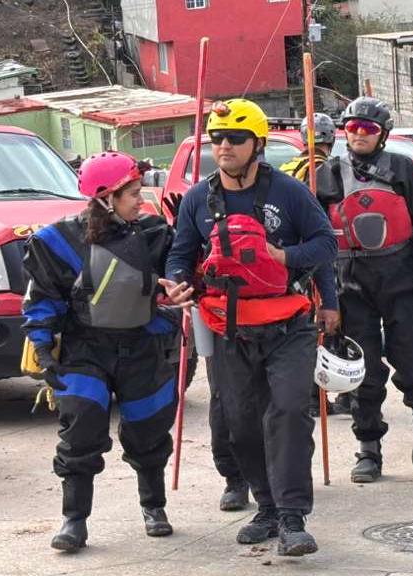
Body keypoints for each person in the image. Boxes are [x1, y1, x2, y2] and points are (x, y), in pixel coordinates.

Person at [165, 98, 337, 556]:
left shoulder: (290, 192)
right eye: (216, 138)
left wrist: (287, 258)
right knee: (238, 423)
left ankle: (292, 516)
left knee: (287, 413)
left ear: (256, 145)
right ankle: (265, 503)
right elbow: (181, 254)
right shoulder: (198, 199)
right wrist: (178, 284)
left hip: (288, 324)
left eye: (235, 139)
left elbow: (325, 243)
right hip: (229, 328)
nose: (223, 146)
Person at [22, 151, 191, 552]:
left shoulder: (155, 233)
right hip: (86, 350)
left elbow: (182, 275)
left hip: (144, 345)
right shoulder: (56, 242)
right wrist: (43, 347)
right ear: (105, 198)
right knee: (80, 431)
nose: (140, 199)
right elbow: (42, 298)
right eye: (131, 193)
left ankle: (154, 507)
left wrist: (188, 235)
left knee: (148, 431)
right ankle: (74, 521)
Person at [315, 96, 413, 483]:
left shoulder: (403, 170)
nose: (358, 135)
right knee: (362, 370)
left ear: (382, 135)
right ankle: (368, 447)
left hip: (401, 277)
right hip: (352, 282)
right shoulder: (327, 175)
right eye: (351, 128)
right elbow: (315, 231)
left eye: (367, 129)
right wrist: (322, 291)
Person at [279, 113, 351, 417]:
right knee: (328, 327)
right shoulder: (321, 169)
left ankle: (316, 395)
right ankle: (323, 395)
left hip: (292, 257)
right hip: (318, 254)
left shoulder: (286, 168)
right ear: (330, 140)